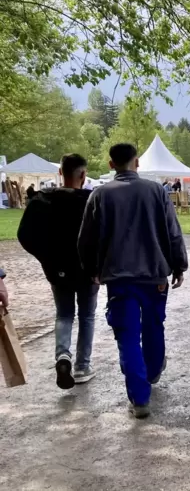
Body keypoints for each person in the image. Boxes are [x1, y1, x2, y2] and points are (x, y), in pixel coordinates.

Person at [78, 143, 188, 419]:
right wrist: (178, 265)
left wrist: (92, 268)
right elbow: (173, 232)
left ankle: (139, 398)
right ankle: (151, 372)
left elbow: (86, 239)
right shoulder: (156, 191)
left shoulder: (100, 195)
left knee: (127, 335)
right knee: (154, 326)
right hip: (153, 275)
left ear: (111, 163)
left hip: (118, 277)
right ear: (136, 162)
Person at [17, 154, 98, 389]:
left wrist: (46, 258)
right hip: (86, 270)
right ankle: (83, 365)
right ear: (82, 175)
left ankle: (63, 356)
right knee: (87, 315)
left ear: (60, 172)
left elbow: (25, 235)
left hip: (57, 270)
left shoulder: (43, 201)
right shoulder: (90, 201)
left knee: (64, 314)